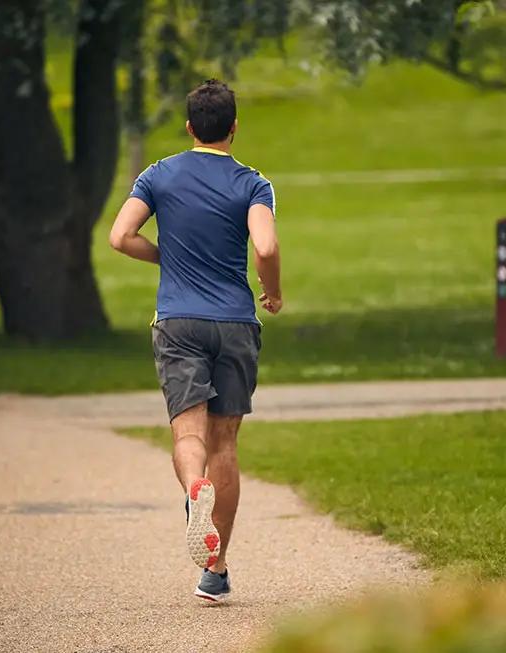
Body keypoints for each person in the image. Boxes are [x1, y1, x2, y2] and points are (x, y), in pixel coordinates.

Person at [108, 78, 282, 603]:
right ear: (233, 128)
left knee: (189, 432)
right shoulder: (253, 183)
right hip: (234, 322)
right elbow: (267, 246)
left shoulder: (158, 174)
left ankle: (192, 491)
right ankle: (216, 569)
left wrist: (168, 256)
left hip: (178, 320)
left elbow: (120, 237)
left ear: (189, 127)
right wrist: (271, 292)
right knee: (225, 443)